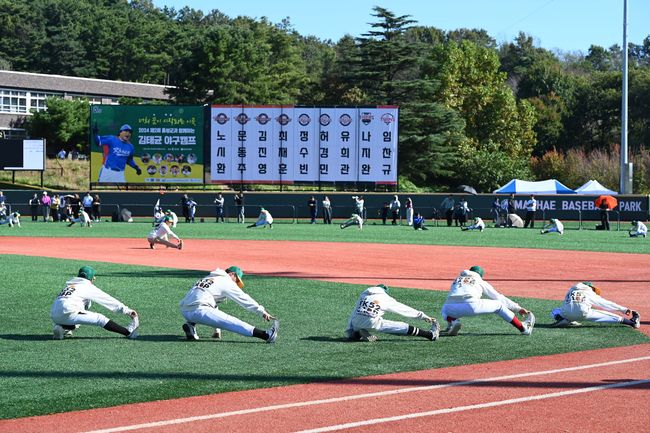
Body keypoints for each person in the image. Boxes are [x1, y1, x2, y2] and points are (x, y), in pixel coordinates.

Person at [179, 266, 279, 343]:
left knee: (211, 306)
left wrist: (217, 331)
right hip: (199, 310)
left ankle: (191, 325)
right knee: (232, 322)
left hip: (185, 310)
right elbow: (244, 299)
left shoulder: (208, 278)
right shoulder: (226, 281)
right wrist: (261, 311)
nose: (236, 284)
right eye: (237, 280)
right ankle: (267, 335)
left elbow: (213, 306)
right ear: (232, 274)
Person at [441, 266, 535, 336]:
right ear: (480, 275)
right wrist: (517, 308)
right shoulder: (480, 281)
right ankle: (523, 328)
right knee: (499, 305)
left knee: (444, 309)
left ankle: (452, 322)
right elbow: (498, 297)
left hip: (451, 307)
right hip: (471, 305)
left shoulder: (457, 279)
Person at [50, 266, 139, 340]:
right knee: (100, 319)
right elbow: (107, 300)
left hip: (54, 315)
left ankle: (62, 328)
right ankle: (128, 332)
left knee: (83, 308)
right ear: (91, 278)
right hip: (69, 312)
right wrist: (127, 311)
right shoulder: (86, 286)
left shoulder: (70, 285)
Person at [344, 284, 439, 342]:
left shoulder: (363, 295)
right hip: (373, 323)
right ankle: (430, 335)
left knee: (360, 320)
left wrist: (349, 330)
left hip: (356, 322)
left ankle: (357, 333)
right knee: (402, 326)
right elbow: (404, 309)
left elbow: (354, 312)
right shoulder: (385, 298)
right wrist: (423, 316)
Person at [550, 282, 640, 329]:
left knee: (555, 311)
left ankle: (564, 320)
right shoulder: (589, 292)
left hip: (566, 313)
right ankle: (633, 323)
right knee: (606, 315)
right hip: (583, 313)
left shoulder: (571, 290)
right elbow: (605, 304)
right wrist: (623, 309)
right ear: (590, 287)